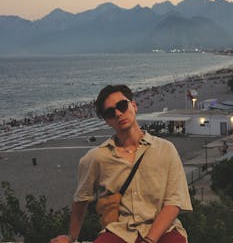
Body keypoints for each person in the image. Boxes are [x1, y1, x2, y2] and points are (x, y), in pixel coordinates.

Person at [50, 84, 192, 243]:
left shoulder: (165, 149)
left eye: (122, 106)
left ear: (134, 106)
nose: (118, 113)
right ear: (107, 121)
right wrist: (71, 237)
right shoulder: (97, 157)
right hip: (120, 232)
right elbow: (81, 199)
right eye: (110, 113)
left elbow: (174, 201)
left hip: (164, 230)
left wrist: (150, 240)